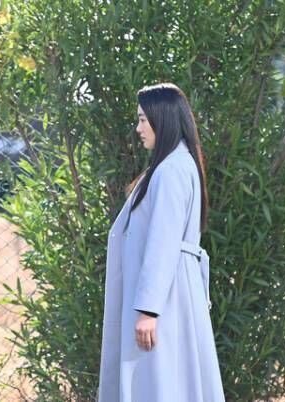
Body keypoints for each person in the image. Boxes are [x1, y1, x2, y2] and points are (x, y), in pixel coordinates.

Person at [97, 83, 225, 402]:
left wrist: (148, 310)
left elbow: (163, 243)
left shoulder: (171, 170)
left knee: (160, 385)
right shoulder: (174, 165)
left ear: (162, 119)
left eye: (143, 119)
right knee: (169, 384)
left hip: (165, 301)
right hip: (170, 295)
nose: (138, 128)